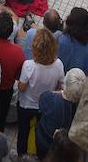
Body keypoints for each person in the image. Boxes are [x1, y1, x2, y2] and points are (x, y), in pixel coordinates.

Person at [16, 26, 65, 156]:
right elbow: (60, 86)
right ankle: (38, 154)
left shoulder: (28, 65)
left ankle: (21, 154)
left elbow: (21, 87)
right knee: (40, 131)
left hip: (27, 104)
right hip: (45, 106)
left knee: (23, 131)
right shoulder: (59, 64)